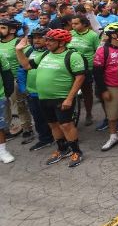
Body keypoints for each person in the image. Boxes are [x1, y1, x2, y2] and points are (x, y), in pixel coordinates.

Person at [15, 29, 86, 168]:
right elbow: (27, 65)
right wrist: (19, 51)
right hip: (44, 97)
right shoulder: (46, 54)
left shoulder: (72, 55)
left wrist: (69, 98)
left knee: (66, 124)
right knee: (53, 124)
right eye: (46, 39)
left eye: (50, 40)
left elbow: (80, 77)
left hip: (62, 97)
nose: (46, 42)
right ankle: (62, 149)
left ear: (61, 43)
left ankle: (76, 151)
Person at [17, 26, 55, 152]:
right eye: (34, 38)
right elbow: (22, 70)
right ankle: (45, 139)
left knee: (55, 118)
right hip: (33, 92)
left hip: (50, 92)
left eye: (40, 38)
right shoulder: (28, 51)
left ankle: (63, 139)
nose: (36, 40)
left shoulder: (52, 52)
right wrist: (23, 88)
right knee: (38, 117)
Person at [93, 22, 118, 151]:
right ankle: (113, 136)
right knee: (112, 115)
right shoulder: (103, 50)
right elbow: (97, 72)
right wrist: (103, 90)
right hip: (113, 85)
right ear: (114, 35)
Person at [69, 14, 101, 126]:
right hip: (70, 67)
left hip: (86, 68)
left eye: (76, 23)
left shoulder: (93, 35)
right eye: (72, 23)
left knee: (87, 92)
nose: (73, 26)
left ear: (84, 24)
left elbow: (97, 51)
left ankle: (88, 113)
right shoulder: (70, 34)